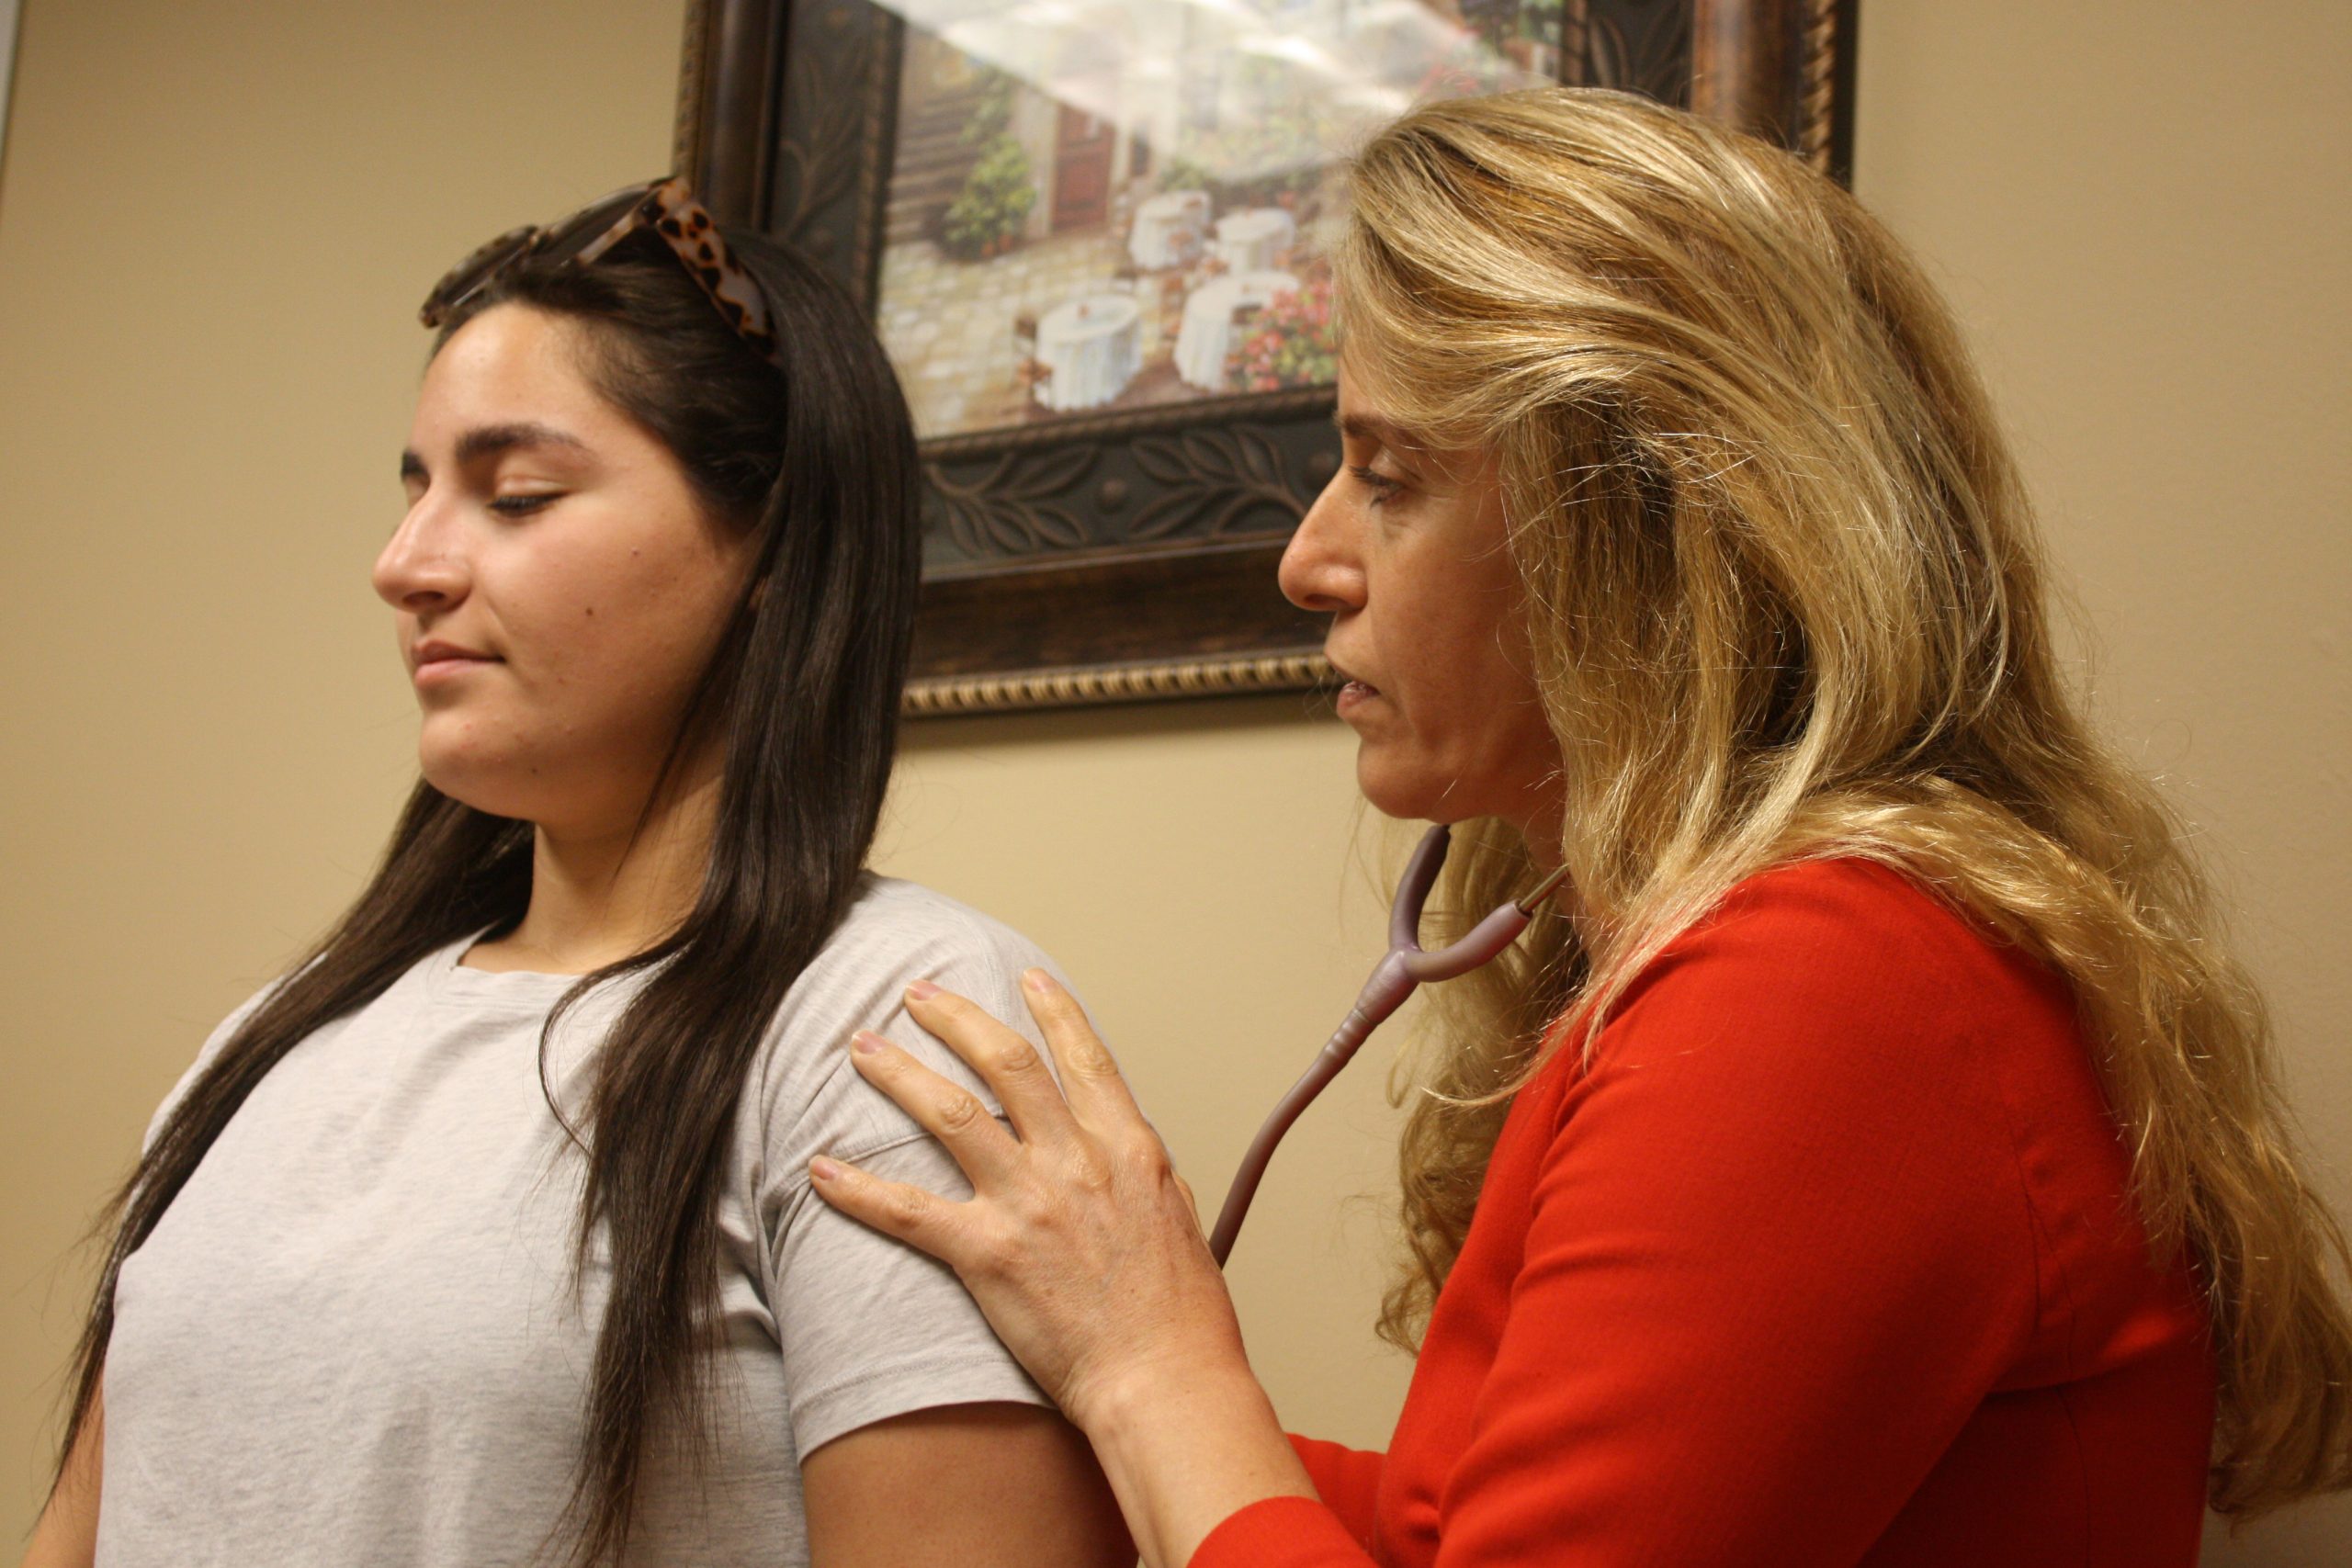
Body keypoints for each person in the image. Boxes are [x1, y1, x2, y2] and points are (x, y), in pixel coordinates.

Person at [808, 89, 2352, 1567]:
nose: (1307, 561)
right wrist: (1048, 1433)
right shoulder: (1782, 962)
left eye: (1388, 476)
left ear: (1650, 535)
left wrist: (1150, 1363)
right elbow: (1462, 1536)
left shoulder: (1830, 985)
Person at [24, 180, 1129, 1568]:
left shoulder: (892, 1028)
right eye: (417, 493)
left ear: (773, 541)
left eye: (517, 496)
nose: (404, 566)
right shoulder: (275, 1043)